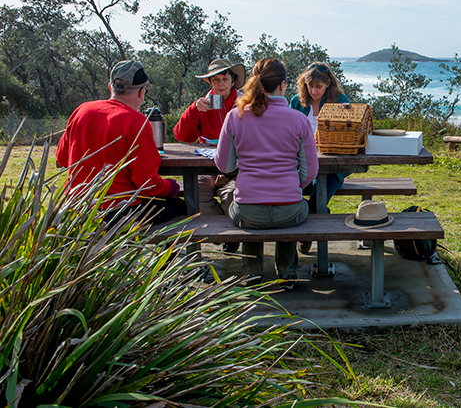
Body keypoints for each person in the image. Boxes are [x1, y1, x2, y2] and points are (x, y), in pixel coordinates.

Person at [215, 58, 318, 291]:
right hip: (289, 209)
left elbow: (224, 165)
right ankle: (287, 273)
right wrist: (293, 185)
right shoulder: (299, 120)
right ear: (283, 85)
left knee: (246, 212)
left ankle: (252, 273)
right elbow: (310, 171)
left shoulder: (235, 116)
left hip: (247, 211)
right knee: (291, 211)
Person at [56, 60, 186, 225]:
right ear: (141, 92)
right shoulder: (136, 122)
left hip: (76, 208)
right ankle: (174, 251)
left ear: (111, 87)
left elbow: (61, 159)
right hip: (116, 211)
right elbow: (146, 184)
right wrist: (171, 187)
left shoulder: (81, 111)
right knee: (180, 206)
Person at [174, 58, 246, 253]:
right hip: (206, 167)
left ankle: (231, 235)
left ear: (233, 81)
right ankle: (222, 233)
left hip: (237, 169)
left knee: (231, 196)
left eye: (224, 78)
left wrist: (231, 169)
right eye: (215, 79)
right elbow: (181, 135)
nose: (220, 83)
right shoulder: (203, 104)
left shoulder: (244, 104)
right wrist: (193, 111)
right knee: (194, 197)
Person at [289, 62, 350, 253]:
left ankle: (306, 234)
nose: (314, 91)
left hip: (332, 166)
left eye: (319, 87)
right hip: (301, 164)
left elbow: (349, 132)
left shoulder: (340, 100)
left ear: (328, 85)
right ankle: (316, 218)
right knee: (289, 193)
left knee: (318, 194)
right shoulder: (296, 102)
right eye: (310, 86)